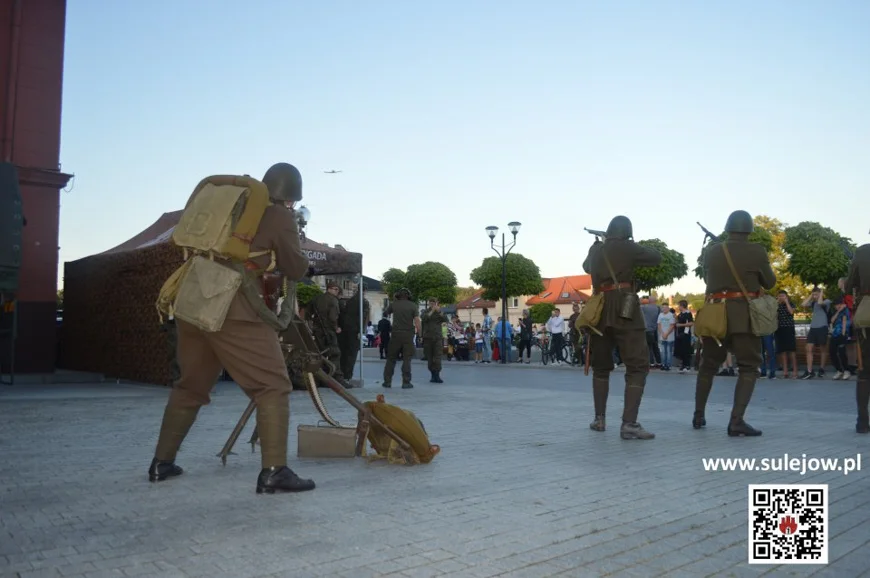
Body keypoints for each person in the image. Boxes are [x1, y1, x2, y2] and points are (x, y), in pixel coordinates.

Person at [149, 162, 316, 494]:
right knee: (272, 386)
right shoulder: (280, 216)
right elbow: (295, 268)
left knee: (190, 386)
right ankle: (274, 471)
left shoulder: (233, 208)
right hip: (235, 308)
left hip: (194, 300)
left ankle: (161, 463)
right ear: (291, 198)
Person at [693, 210, 776, 437]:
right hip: (743, 318)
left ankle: (698, 414)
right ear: (748, 229)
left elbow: (709, 279)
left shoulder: (712, 251)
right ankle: (736, 421)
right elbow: (769, 282)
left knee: (707, 366)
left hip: (715, 315)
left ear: (728, 227)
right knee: (749, 367)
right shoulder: (757, 251)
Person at [582, 215, 662, 440]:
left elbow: (587, 266)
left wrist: (598, 245)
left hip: (599, 310)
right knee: (637, 365)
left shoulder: (596, 250)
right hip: (624, 307)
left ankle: (599, 419)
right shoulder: (628, 247)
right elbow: (656, 257)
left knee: (601, 366)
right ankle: (629, 424)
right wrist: (633, 245)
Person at [843, 241, 870, 433]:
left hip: (867, 313)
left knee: (864, 371)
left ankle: (862, 420)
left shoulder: (862, 252)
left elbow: (848, 286)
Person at [383, 288, 421, 388]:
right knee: (407, 359)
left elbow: (385, 313)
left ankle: (387, 381)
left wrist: (394, 300)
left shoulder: (394, 304)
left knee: (391, 359)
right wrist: (420, 334)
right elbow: (417, 321)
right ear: (409, 295)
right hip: (408, 335)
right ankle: (406, 382)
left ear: (398, 295)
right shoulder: (413, 305)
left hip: (395, 335)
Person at [308, 281, 342, 376]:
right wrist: (336, 328)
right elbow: (333, 317)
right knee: (335, 353)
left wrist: (311, 325)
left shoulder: (316, 298)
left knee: (320, 354)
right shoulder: (333, 300)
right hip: (328, 331)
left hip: (317, 330)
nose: (337, 292)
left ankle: (320, 376)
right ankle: (336, 376)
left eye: (337, 290)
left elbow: (307, 313)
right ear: (329, 288)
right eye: (335, 289)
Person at [421, 297, 448, 382]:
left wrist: (439, 311)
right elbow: (424, 319)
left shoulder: (439, 311)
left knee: (437, 357)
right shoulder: (425, 311)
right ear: (429, 303)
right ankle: (432, 375)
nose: (432, 304)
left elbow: (445, 320)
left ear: (436, 303)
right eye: (431, 302)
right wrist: (432, 311)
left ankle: (437, 375)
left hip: (437, 338)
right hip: (428, 338)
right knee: (429, 358)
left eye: (434, 302)